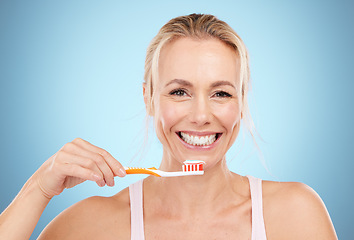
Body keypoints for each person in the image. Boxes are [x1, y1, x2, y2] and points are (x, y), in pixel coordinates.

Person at [0, 13, 337, 240]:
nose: (201, 115)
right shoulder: (92, 226)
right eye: (179, 92)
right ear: (148, 98)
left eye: (221, 93)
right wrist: (39, 188)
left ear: (242, 101)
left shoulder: (295, 215)